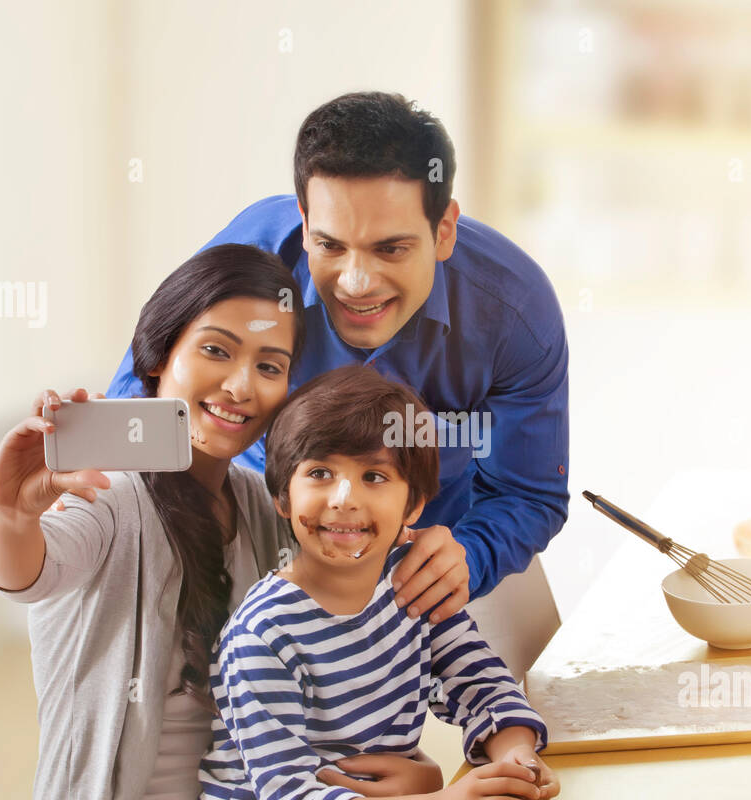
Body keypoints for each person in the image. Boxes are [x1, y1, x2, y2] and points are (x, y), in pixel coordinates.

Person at [0, 245, 465, 800]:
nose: (240, 385)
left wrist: (419, 773)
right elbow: (29, 574)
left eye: (270, 365)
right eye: (215, 351)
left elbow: (335, 680)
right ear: (158, 358)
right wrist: (10, 516)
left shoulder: (270, 511)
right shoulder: (107, 495)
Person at [106, 92, 570, 632]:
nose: (355, 284)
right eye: (330, 246)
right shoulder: (255, 257)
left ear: (444, 230)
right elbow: (145, 394)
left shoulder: (515, 311)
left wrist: (470, 554)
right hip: (259, 532)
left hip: (426, 556)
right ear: (304, 223)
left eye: (390, 250)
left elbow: (528, 492)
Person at [200, 365, 559, 800]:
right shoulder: (263, 635)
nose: (345, 499)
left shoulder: (410, 585)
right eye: (320, 473)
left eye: (373, 476)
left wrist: (516, 758)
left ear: (413, 504)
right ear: (282, 497)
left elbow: (480, 684)